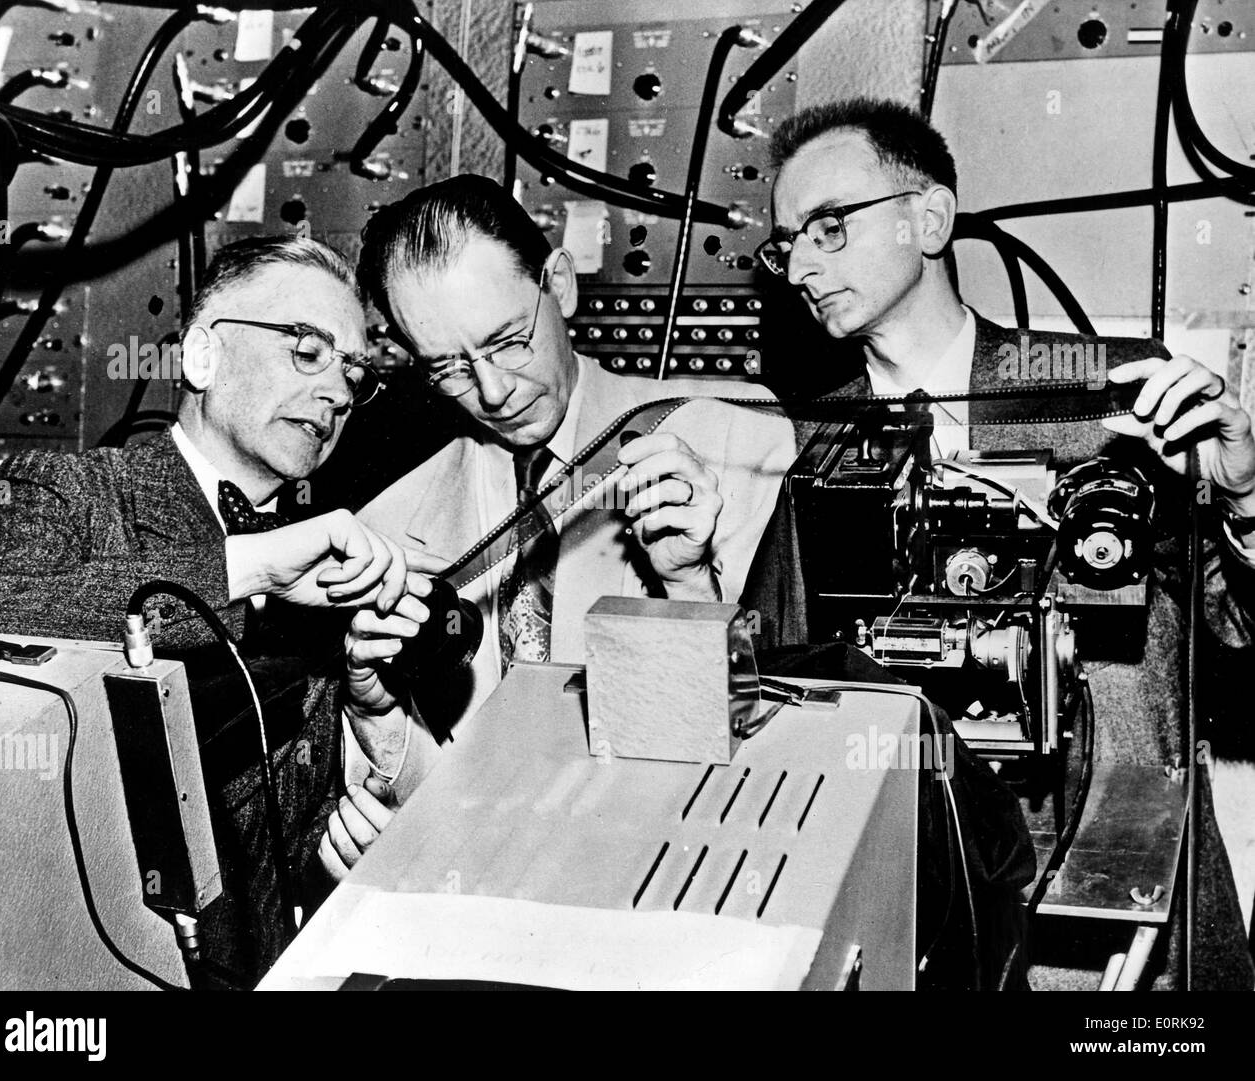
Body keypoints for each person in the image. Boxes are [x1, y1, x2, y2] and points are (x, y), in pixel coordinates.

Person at [742, 97, 1255, 989]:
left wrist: (1244, 490)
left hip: (1118, 907)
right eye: (787, 245)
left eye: (831, 227)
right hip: (932, 903)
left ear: (929, 217)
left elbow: (1240, 632)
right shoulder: (819, 445)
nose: (801, 267)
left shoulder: (1109, 397)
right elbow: (786, 679)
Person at [0, 235, 422, 983]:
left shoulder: (325, 580)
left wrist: (348, 850)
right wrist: (247, 566)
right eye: (308, 349)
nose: (337, 391)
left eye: (354, 372)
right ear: (202, 357)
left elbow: (277, 843)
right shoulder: (69, 489)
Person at [319, 175, 797, 880]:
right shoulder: (387, 527)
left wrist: (685, 581)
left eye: (509, 342)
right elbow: (410, 809)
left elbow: (758, 755)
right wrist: (379, 717)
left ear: (561, 285)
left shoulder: (736, 443)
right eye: (447, 367)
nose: (491, 390)